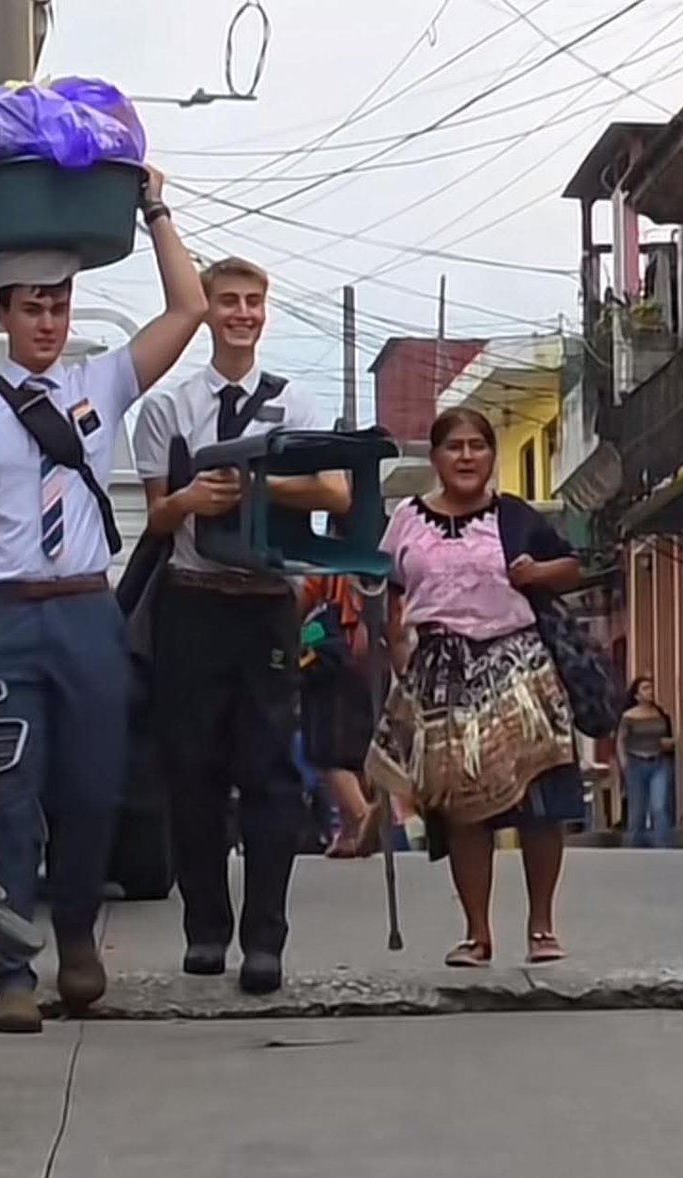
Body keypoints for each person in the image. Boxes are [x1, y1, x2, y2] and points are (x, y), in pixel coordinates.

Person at [0, 167, 208, 1033]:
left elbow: (188, 309)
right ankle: (11, 971)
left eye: (59, 307)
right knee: (8, 798)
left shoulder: (98, 385)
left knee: (92, 789)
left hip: (85, 614)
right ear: (4, 313)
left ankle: (76, 937)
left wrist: (155, 209)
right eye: (33, 307)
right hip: (0, 618)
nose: (47, 322)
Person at [132, 256, 351, 995]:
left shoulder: (297, 402)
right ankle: (205, 930)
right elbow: (157, 515)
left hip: (266, 604)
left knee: (269, 772)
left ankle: (265, 940)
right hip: (191, 599)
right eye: (229, 301)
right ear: (209, 311)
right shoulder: (169, 407)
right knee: (191, 771)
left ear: (266, 311)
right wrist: (192, 499)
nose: (242, 314)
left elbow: (335, 492)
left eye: (253, 302)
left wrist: (258, 484)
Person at [366, 406, 584, 968]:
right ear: (436, 457)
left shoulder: (515, 516)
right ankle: (477, 933)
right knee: (462, 807)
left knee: (539, 798)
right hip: (442, 673)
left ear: (490, 456)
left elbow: (571, 567)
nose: (466, 456)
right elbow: (386, 591)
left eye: (477, 446)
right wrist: (395, 649)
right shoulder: (406, 521)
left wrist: (537, 573)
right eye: (454, 446)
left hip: (520, 666)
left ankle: (542, 926)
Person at [298, 567, 381, 858]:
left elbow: (305, 592)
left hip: (334, 656)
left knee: (327, 753)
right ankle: (349, 832)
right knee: (355, 751)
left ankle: (360, 815)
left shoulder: (332, 563)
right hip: (369, 660)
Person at [616, 676, 676, 848]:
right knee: (637, 811)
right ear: (637, 695)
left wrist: (670, 743)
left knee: (659, 806)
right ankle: (637, 848)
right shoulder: (628, 716)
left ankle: (663, 847)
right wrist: (624, 762)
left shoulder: (660, 714)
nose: (650, 691)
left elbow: (670, 737)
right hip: (636, 763)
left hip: (659, 762)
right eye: (645, 688)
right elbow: (620, 740)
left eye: (651, 688)